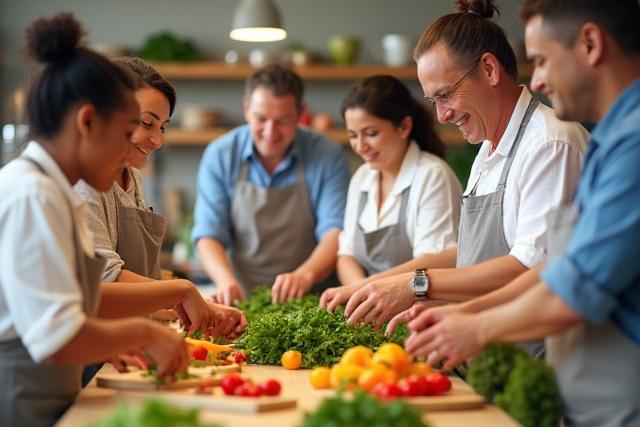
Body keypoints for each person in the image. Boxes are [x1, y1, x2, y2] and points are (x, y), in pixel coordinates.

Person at [404, 1, 640, 425]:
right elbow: (555, 266)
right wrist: (462, 312)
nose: (540, 80)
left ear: (590, 44)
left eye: (542, 60)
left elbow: (573, 287)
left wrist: (471, 323)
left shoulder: (620, 144)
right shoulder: (613, 140)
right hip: (587, 398)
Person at [338, 0, 589, 331]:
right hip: (484, 348)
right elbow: (474, 261)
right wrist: (429, 304)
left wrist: (416, 285)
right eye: (434, 102)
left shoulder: (550, 143)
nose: (442, 115)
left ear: (489, 69)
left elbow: (533, 268)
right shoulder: (488, 149)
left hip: (533, 359)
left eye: (446, 95)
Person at [0, 13, 188, 427]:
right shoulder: (34, 194)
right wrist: (143, 333)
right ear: (87, 122)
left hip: (50, 391)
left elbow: (83, 298)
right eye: (127, 134)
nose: (131, 153)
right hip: (19, 396)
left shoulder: (54, 191)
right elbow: (56, 337)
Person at [73, 57, 246, 384]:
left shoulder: (131, 177)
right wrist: (184, 291)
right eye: (146, 123)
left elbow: (140, 279)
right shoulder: (81, 184)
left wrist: (205, 307)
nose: (158, 140)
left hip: (122, 352)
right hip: (88, 356)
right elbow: (103, 280)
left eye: (162, 126)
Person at [192, 64, 350, 305]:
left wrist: (304, 275)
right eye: (261, 118)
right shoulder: (221, 154)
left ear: (300, 113)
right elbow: (208, 233)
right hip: (243, 298)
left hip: (314, 300)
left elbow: (335, 232)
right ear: (247, 108)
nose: (270, 131)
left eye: (283, 120)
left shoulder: (327, 154)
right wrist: (225, 281)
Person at [320, 75, 462, 309]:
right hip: (374, 313)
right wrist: (362, 298)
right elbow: (347, 254)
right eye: (353, 135)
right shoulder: (362, 177)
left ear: (404, 127)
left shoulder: (432, 175)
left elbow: (437, 261)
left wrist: (361, 290)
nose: (360, 146)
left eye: (371, 133)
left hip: (423, 314)